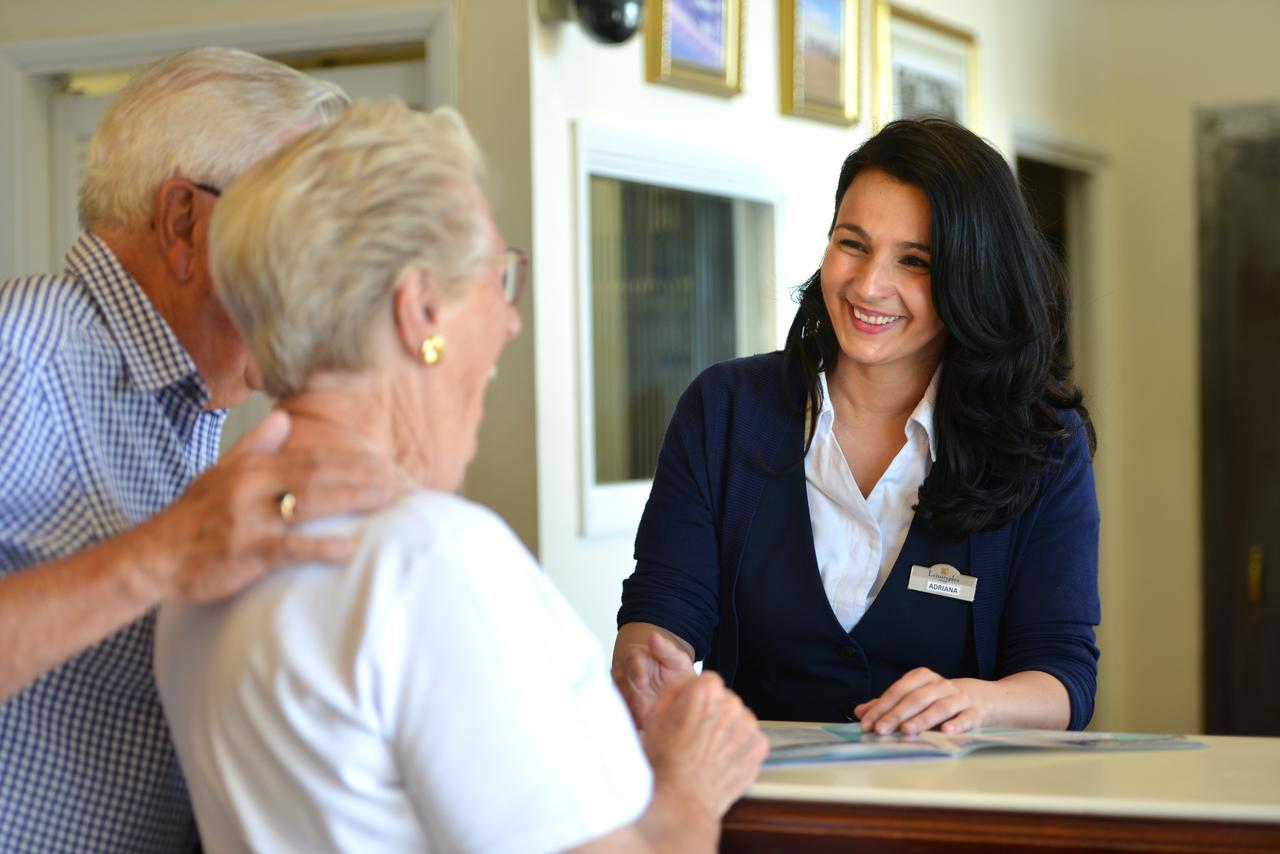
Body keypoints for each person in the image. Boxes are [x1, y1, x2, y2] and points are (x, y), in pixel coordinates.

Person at [154, 98, 767, 853]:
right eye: (498, 280)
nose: (510, 321)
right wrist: (689, 785)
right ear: (421, 310)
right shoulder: (429, 558)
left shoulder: (200, 555)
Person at [0, 48, 406, 852]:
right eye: (291, 231)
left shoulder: (196, 408)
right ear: (185, 222)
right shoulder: (23, 356)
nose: (317, 277)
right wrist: (162, 555)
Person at [614, 118, 1101, 736]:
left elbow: (1063, 674)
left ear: (973, 277)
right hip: (753, 804)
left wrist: (980, 703)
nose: (870, 285)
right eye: (853, 243)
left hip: (948, 814)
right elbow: (664, 606)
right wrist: (648, 658)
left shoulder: (1043, 444)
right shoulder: (726, 409)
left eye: (915, 261)